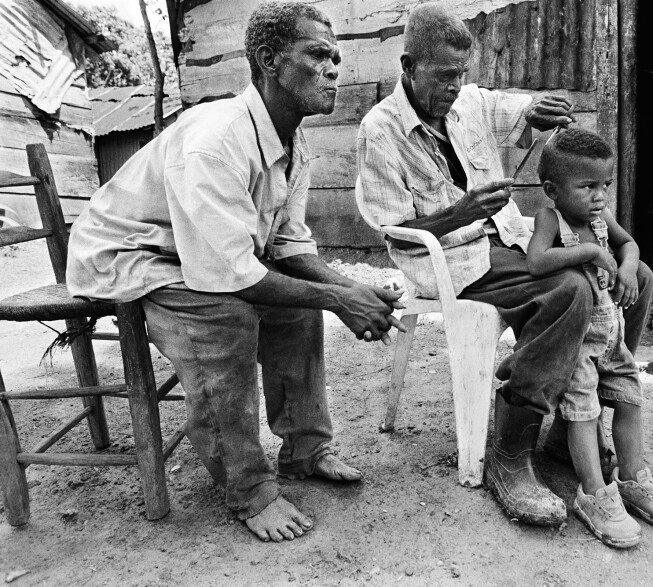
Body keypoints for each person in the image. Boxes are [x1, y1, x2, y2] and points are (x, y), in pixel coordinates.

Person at [66, 2, 405, 542]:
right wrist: (340, 301)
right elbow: (233, 278)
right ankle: (249, 489)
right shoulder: (217, 137)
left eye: (337, 56)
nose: (335, 68)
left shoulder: (294, 140)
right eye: (318, 54)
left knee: (300, 308)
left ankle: (305, 448)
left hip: (196, 252)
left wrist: (348, 288)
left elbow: (287, 245)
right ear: (270, 61)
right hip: (133, 255)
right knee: (225, 317)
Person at [356, 2, 652, 526]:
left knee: (637, 276)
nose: (455, 86)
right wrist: (459, 213)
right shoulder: (378, 131)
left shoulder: (469, 102)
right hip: (451, 259)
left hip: (509, 240)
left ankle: (570, 424)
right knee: (570, 291)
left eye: (462, 73)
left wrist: (541, 108)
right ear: (408, 67)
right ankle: (509, 454)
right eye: (444, 76)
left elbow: (519, 109)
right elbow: (394, 234)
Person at [527, 128, 653, 547]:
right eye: (588, 186)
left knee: (630, 399)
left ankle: (632, 477)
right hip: (578, 341)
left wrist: (629, 266)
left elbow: (629, 244)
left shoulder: (600, 220)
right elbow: (537, 261)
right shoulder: (550, 219)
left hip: (611, 336)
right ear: (552, 190)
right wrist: (593, 252)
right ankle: (594, 492)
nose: (599, 196)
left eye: (605, 186)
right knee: (584, 411)